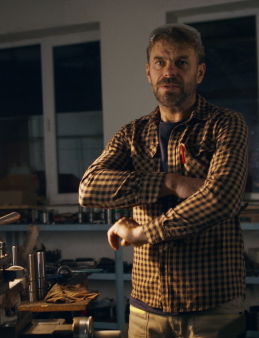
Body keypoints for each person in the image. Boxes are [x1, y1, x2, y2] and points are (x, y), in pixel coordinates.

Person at [79, 23, 249, 338]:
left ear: (199, 72)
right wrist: (168, 183)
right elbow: (89, 188)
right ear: (148, 71)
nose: (168, 71)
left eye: (181, 62)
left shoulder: (225, 124)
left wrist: (144, 232)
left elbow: (222, 198)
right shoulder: (132, 134)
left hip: (212, 307)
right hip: (146, 308)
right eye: (160, 62)